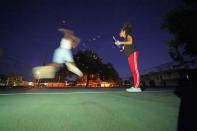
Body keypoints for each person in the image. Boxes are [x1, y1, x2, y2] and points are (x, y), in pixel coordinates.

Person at [115, 23, 142, 92]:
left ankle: (137, 87)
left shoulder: (128, 34)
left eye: (120, 31)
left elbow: (130, 42)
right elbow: (125, 46)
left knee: (135, 70)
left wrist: (120, 42)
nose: (119, 32)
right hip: (129, 56)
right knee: (133, 71)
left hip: (133, 53)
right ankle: (135, 86)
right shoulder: (124, 40)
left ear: (124, 31)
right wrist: (122, 48)